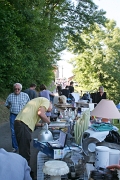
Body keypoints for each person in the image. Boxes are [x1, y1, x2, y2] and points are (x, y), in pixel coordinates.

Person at [14, 97, 52, 166]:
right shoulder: (46, 101)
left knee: (25, 150)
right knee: (24, 152)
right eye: (49, 110)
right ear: (50, 104)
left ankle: (26, 171)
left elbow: (33, 122)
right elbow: (40, 113)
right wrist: (49, 122)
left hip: (21, 123)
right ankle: (26, 174)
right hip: (23, 124)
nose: (47, 111)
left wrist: (42, 124)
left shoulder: (38, 102)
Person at [5, 83, 30, 152]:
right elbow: (7, 104)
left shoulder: (25, 96)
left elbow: (29, 105)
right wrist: (11, 109)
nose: (17, 90)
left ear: (21, 89)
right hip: (13, 115)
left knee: (23, 131)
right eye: (15, 89)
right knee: (13, 132)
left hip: (23, 115)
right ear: (13, 89)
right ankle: (15, 147)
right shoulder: (10, 96)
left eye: (18, 89)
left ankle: (22, 146)